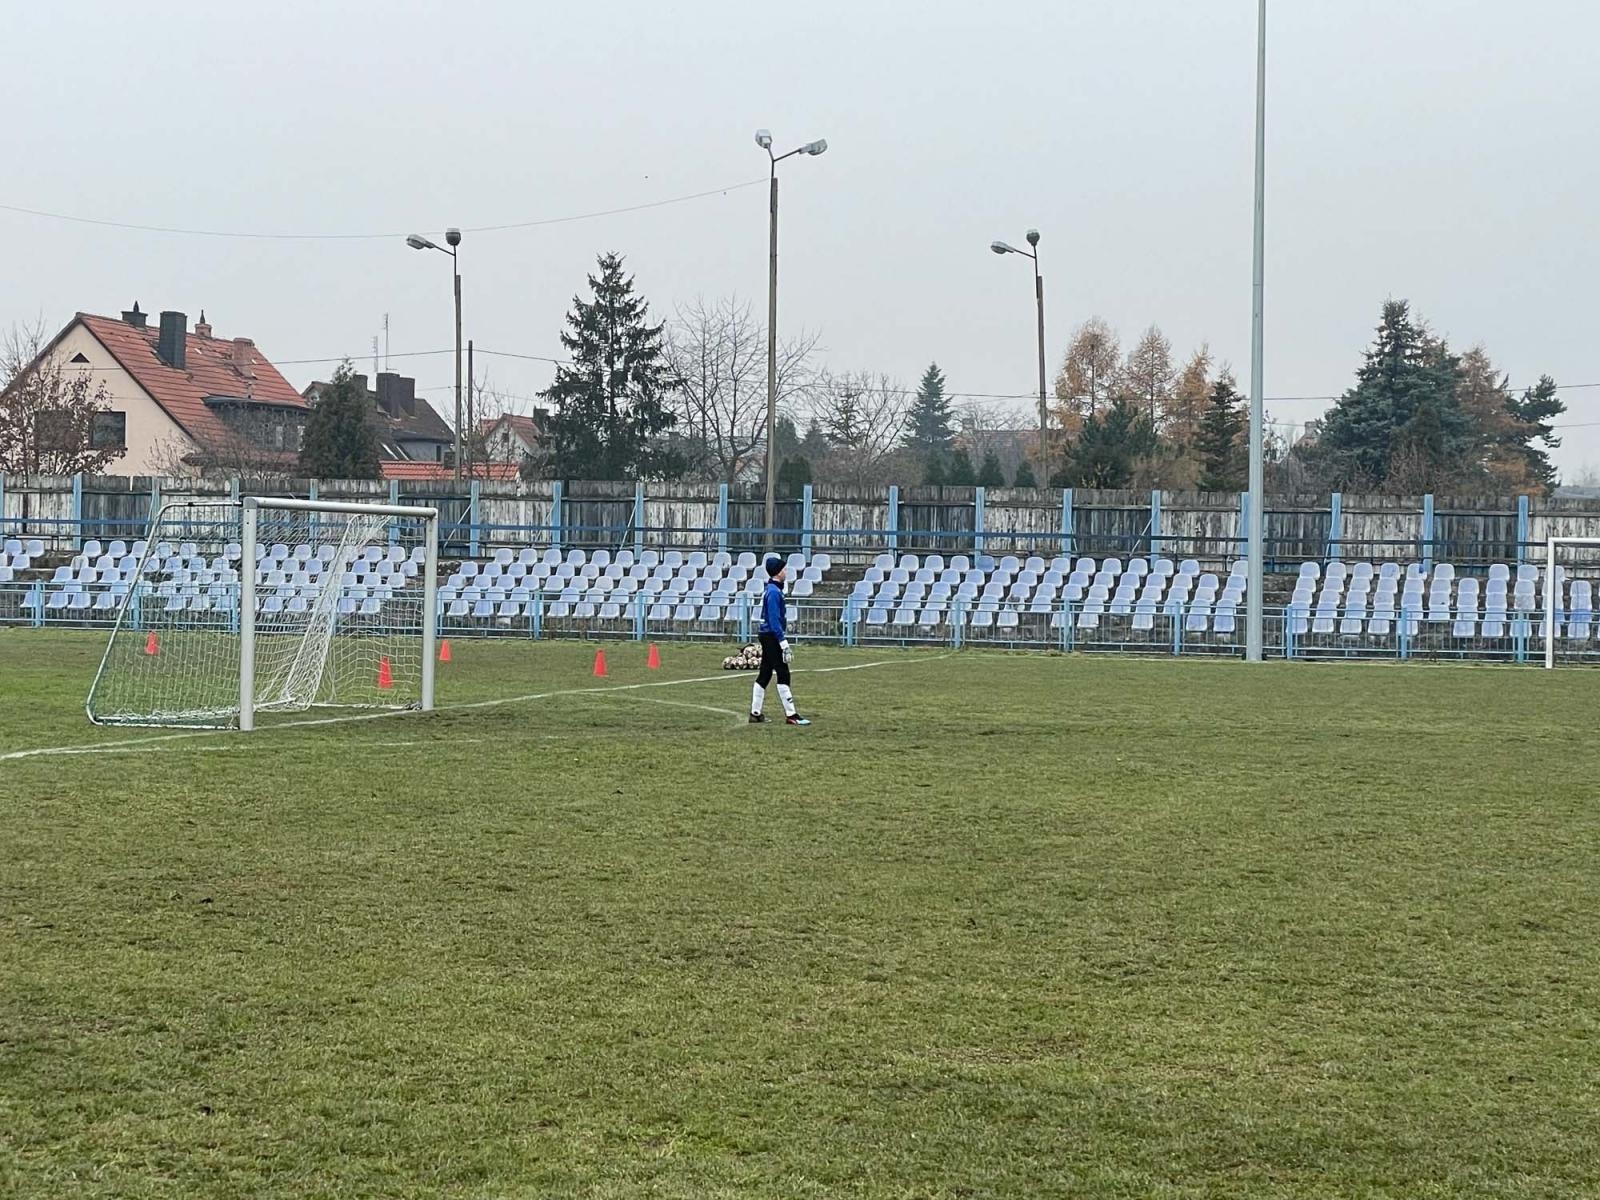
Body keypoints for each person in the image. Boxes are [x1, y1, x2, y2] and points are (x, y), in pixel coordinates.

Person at [750, 554, 810, 726]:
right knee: (783, 672)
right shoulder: (774, 592)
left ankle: (755, 713)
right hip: (771, 635)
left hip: (767, 634)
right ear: (778, 572)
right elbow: (774, 620)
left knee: (765, 673)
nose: (786, 571)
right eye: (784, 569)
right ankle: (791, 714)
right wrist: (783, 643)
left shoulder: (773, 590)